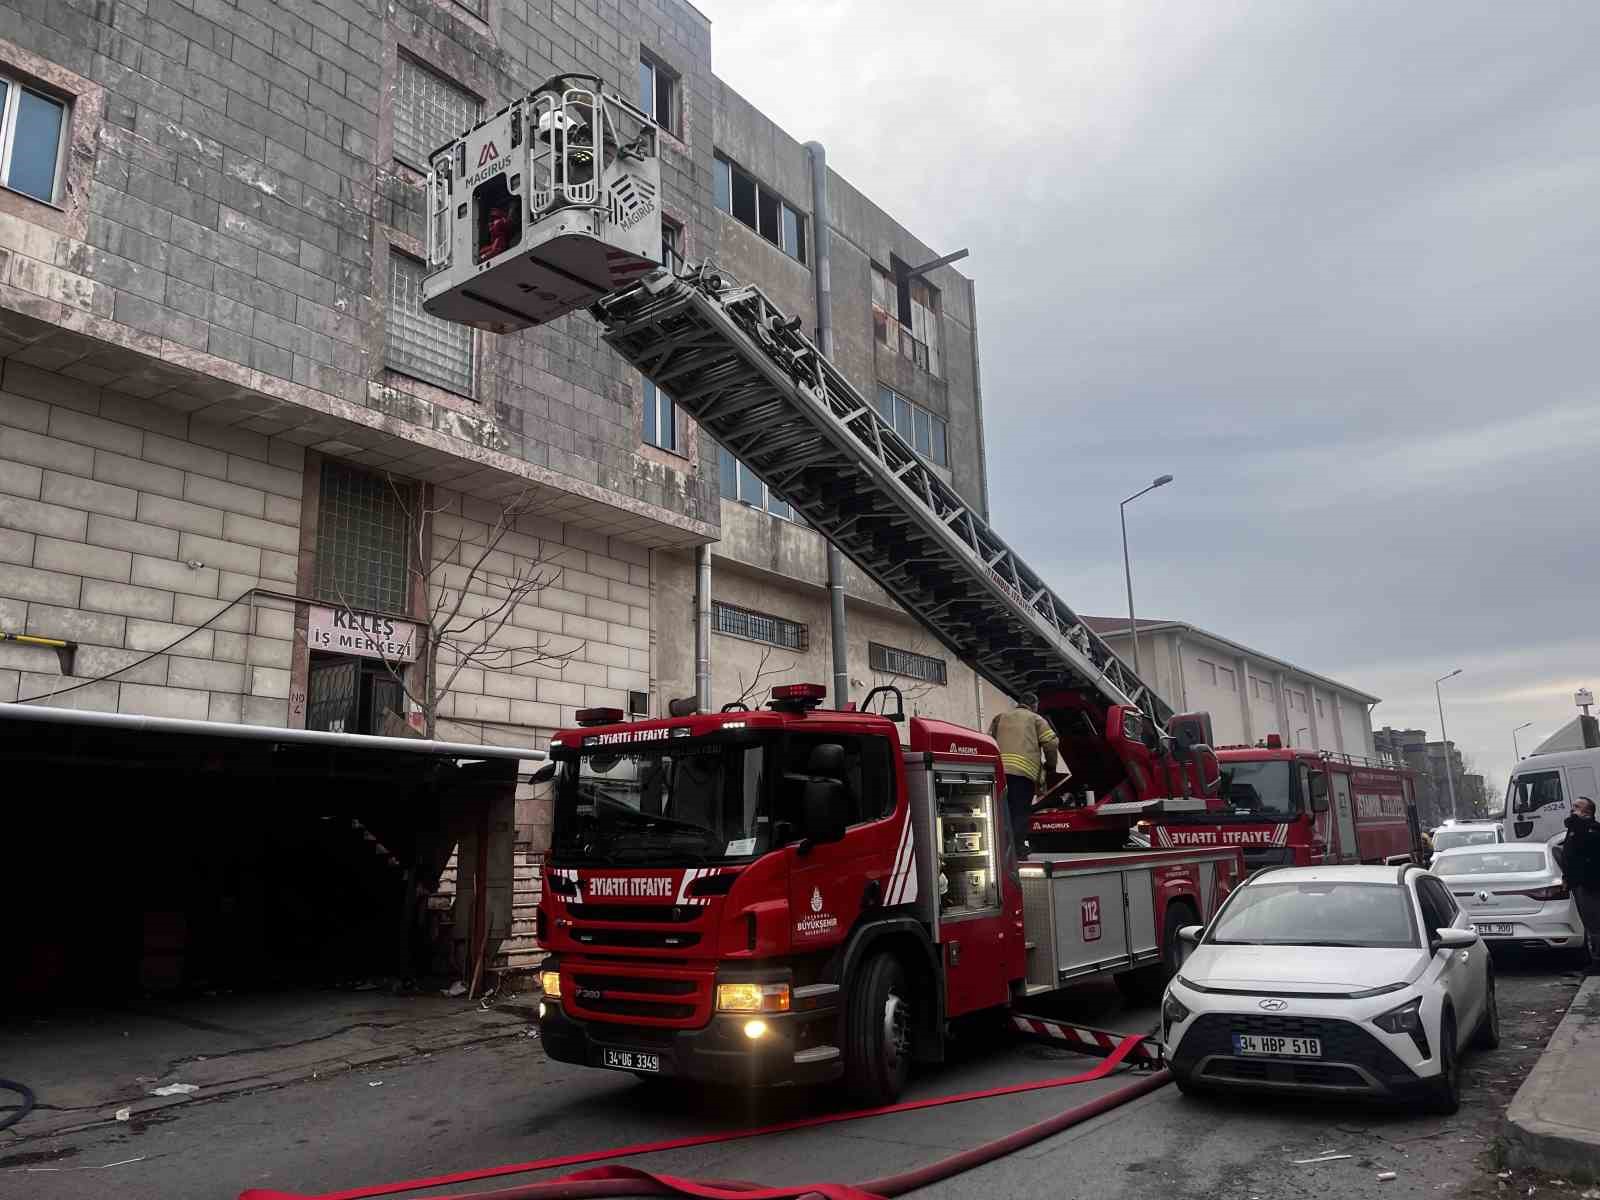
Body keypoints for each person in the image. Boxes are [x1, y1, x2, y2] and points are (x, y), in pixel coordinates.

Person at [988, 694, 1061, 860]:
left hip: (999, 773)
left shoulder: (999, 718)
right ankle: (1017, 849)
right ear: (1034, 705)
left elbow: (989, 741)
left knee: (1003, 812)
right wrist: (1051, 766)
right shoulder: (1036, 719)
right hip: (1023, 775)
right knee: (1020, 811)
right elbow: (1051, 743)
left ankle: (1001, 849)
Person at [1560, 795, 1600, 967]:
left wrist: (1576, 823)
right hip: (1577, 884)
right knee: (1588, 923)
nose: (1572, 809)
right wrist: (1566, 878)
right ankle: (1594, 959)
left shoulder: (1593, 830)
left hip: (1590, 884)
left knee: (1595, 924)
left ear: (1588, 812)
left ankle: (1598, 962)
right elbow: (1569, 856)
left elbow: (1584, 850)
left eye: (1577, 807)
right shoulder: (1575, 828)